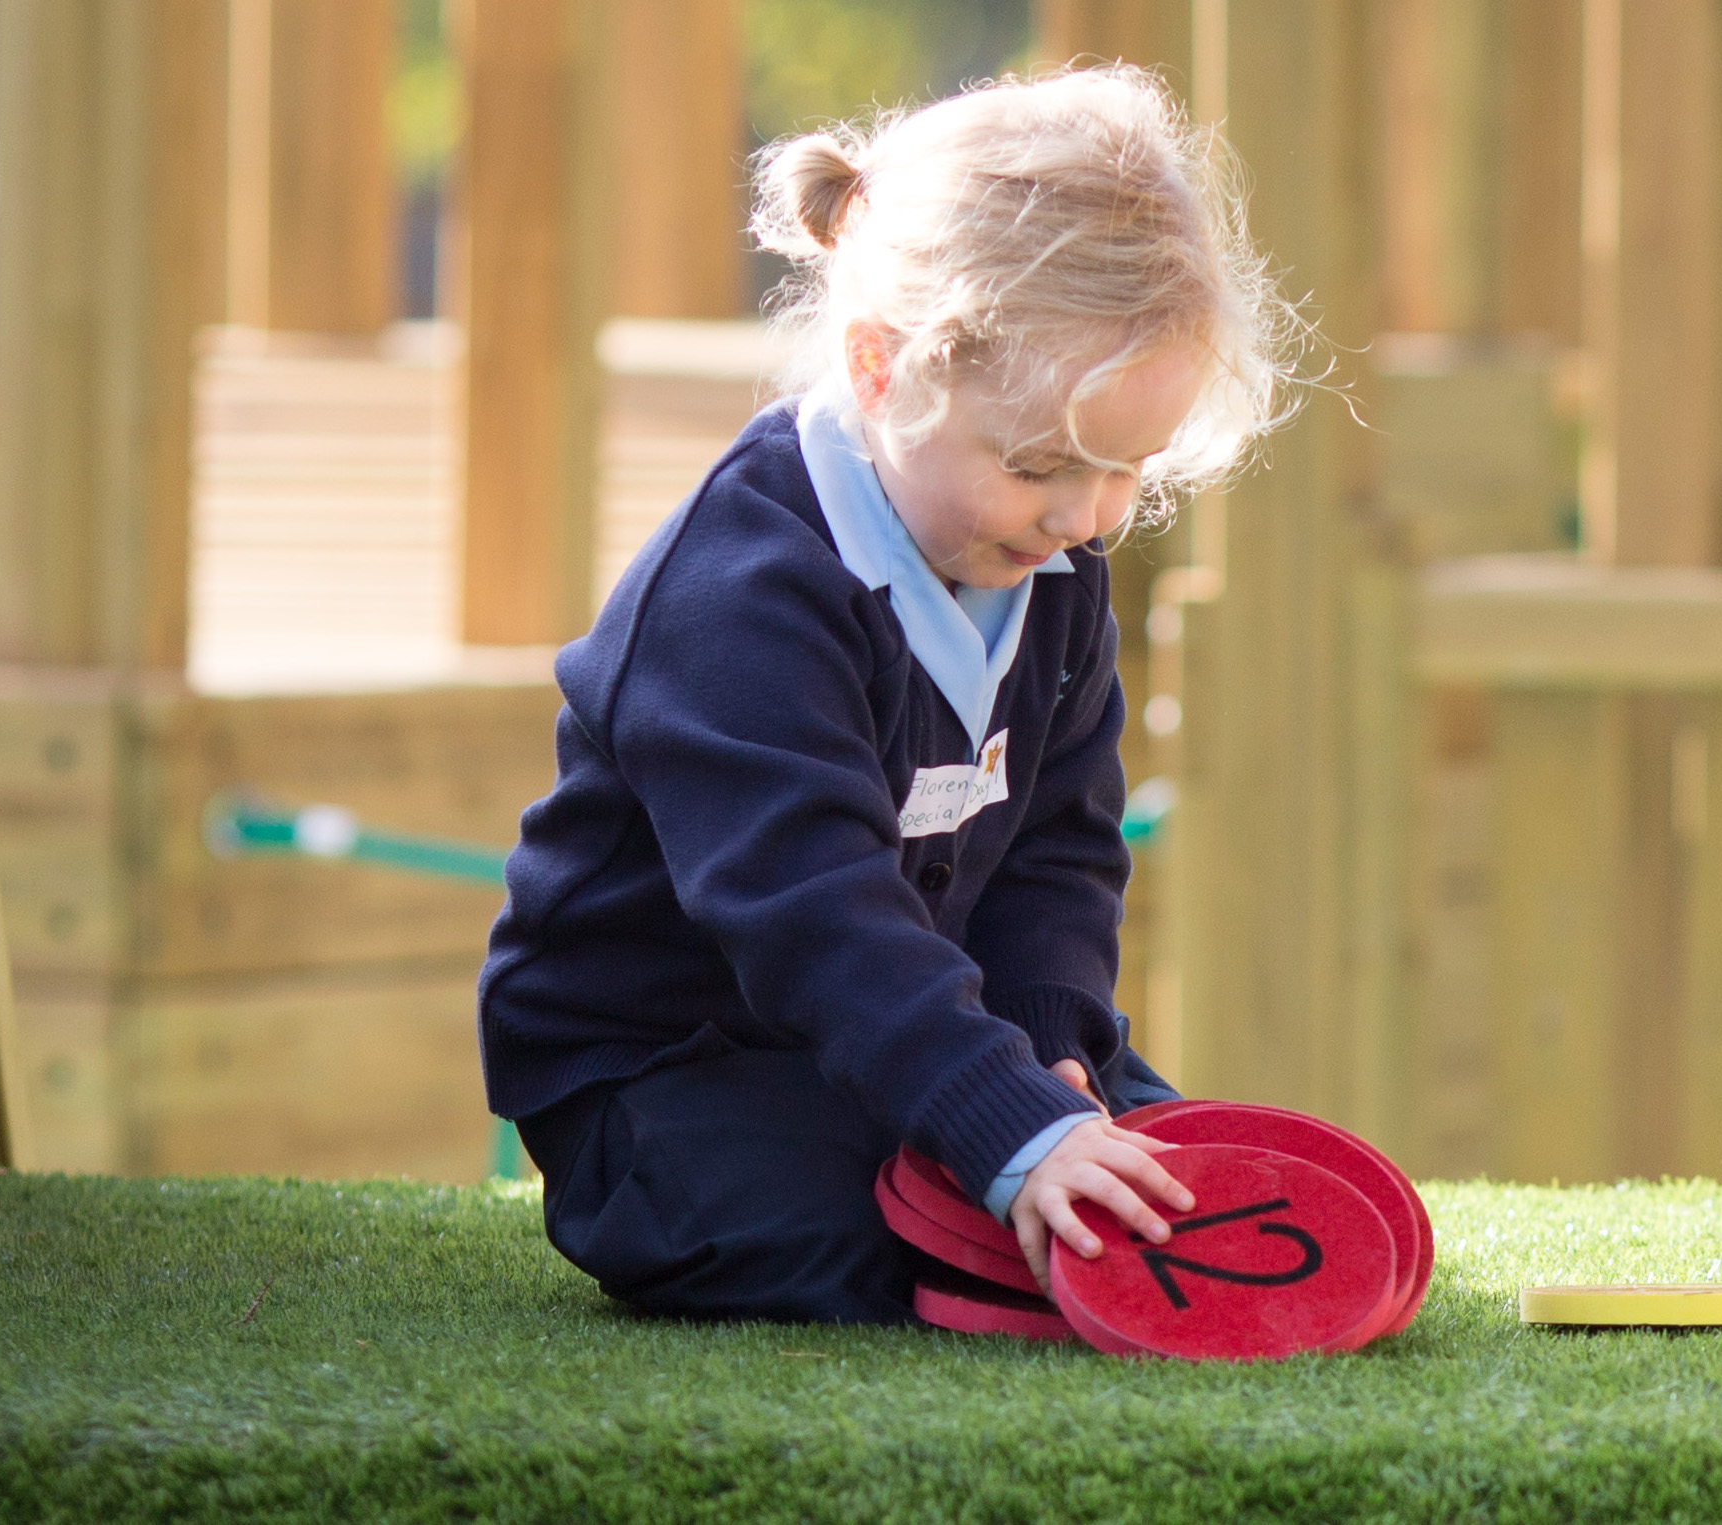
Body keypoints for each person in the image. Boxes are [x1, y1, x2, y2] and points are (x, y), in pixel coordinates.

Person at [476, 67, 1300, 1322]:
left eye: (1124, 469)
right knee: (865, 1220)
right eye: (1038, 463)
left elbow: (1058, 849)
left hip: (908, 1028)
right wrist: (1009, 1128)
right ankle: (994, 1221)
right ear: (880, 368)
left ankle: (1027, 1161)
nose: (1083, 517)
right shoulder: (740, 595)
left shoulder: (1050, 568)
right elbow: (814, 914)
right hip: (674, 1068)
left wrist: (1052, 1049)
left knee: (1166, 1170)